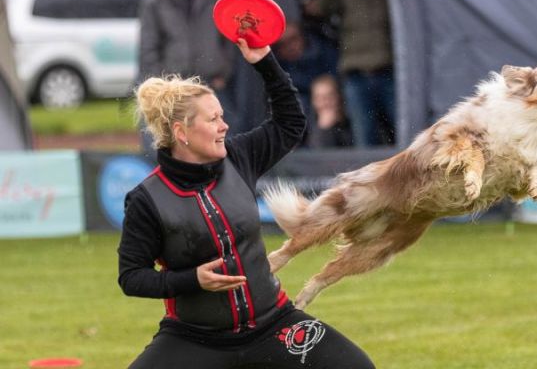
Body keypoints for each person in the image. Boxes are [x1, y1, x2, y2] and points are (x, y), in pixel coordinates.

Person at [118, 38, 374, 368]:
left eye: (221, 116)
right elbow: (132, 277)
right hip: (195, 338)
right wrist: (192, 279)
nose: (224, 125)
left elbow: (290, 123)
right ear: (181, 132)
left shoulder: (238, 158)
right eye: (213, 119)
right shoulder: (146, 200)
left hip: (273, 324)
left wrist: (265, 60)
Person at [137, 0, 235, 159]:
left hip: (211, 86)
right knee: (171, 148)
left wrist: (223, 71)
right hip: (174, 92)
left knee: (216, 146)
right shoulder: (154, 2)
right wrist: (161, 85)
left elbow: (228, 41)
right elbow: (148, 50)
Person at [311, 0, 395, 147]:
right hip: (355, 72)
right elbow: (321, 9)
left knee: (404, 129)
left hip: (387, 68)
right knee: (364, 136)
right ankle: (367, 175)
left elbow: (405, 1)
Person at [307, 74, 353, 148]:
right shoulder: (306, 129)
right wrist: (323, 129)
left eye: (329, 96)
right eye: (319, 98)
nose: (325, 102)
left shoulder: (354, 125)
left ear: (339, 97)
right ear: (313, 102)